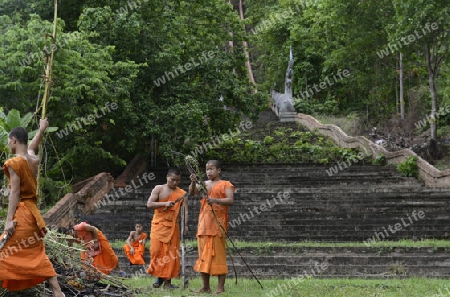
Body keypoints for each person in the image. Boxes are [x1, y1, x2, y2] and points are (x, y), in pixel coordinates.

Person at [0, 118, 65, 296]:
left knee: (2, 252)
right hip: (34, 216)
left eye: (8, 140)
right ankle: (58, 292)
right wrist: (42, 130)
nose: (8, 143)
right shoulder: (33, 159)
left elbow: (14, 193)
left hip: (22, 215)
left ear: (13, 140)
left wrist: (8, 221)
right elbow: (32, 146)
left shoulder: (14, 163)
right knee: (36, 253)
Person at [189, 160, 234, 294]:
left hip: (218, 224)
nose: (208, 172)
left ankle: (220, 287)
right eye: (207, 169)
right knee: (203, 256)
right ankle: (205, 286)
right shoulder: (203, 184)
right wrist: (192, 182)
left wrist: (214, 200)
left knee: (218, 256)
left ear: (218, 170)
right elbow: (192, 193)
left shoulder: (226, 184)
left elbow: (230, 200)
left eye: (211, 169)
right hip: (204, 224)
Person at [146, 167, 188, 289]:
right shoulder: (158, 189)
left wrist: (185, 225)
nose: (175, 183)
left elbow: (185, 211)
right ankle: (159, 278)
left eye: (178, 181)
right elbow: (149, 204)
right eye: (172, 180)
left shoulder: (182, 194)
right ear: (167, 177)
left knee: (170, 254)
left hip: (173, 227)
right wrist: (164, 203)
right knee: (156, 252)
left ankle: (168, 283)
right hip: (158, 225)